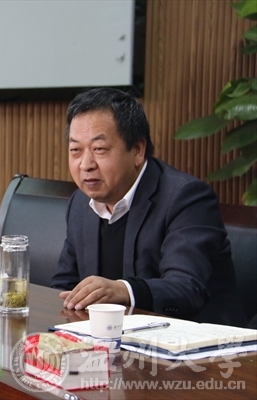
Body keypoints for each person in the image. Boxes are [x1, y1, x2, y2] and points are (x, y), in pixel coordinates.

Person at [51, 88, 246, 327]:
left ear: (138, 150)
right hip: (113, 339)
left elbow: (186, 288)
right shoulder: (80, 204)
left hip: (197, 342)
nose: (86, 164)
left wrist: (123, 290)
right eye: (76, 150)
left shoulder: (186, 198)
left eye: (99, 149)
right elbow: (63, 286)